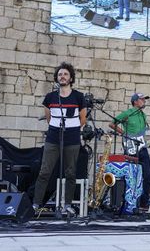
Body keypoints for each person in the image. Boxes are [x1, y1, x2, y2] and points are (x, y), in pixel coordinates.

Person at [33, 62, 86, 215]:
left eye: (66, 74)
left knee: (70, 172)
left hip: (72, 138)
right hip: (53, 137)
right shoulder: (50, 97)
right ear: (57, 78)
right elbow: (49, 119)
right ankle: (36, 204)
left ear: (71, 78)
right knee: (44, 171)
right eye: (60, 74)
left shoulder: (78, 96)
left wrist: (72, 129)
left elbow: (82, 119)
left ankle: (67, 204)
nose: (62, 76)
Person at [109, 92, 150, 211]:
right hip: (131, 149)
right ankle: (128, 203)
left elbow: (142, 133)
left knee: (147, 175)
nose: (144, 101)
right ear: (135, 101)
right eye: (142, 99)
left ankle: (143, 203)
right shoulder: (128, 113)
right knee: (131, 176)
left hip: (142, 148)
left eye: (144, 99)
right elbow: (112, 124)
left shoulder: (143, 115)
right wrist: (123, 134)